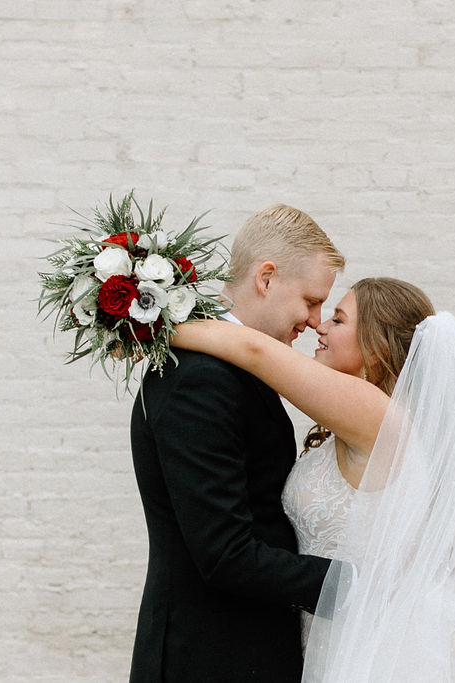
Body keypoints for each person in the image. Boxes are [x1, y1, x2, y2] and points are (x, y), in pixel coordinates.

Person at [170, 277, 455, 682]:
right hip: (329, 640)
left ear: (376, 346)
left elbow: (255, 350)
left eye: (338, 319)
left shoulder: (377, 414)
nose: (320, 326)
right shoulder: (362, 424)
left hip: (365, 653)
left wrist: (153, 327)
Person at [128, 204, 346, 682]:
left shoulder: (234, 365)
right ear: (266, 279)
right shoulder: (199, 380)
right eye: (311, 300)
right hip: (209, 655)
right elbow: (225, 553)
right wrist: (355, 587)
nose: (314, 320)